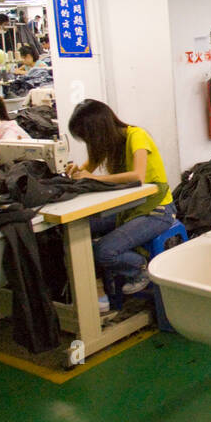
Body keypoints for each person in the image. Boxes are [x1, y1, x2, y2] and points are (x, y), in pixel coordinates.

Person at [67, 99, 176, 295]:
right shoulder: (110, 143)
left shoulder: (137, 136)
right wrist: (76, 171)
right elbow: (85, 171)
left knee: (104, 251)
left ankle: (141, 267)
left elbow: (138, 176)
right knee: (74, 231)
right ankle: (98, 288)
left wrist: (93, 177)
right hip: (129, 208)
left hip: (157, 211)